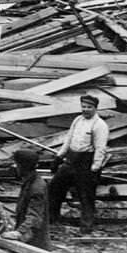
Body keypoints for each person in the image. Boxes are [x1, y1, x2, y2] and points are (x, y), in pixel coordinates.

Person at [47, 93, 109, 234]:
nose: (85, 109)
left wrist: (95, 169)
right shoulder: (78, 120)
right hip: (71, 160)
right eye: (83, 106)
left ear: (95, 108)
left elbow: (100, 149)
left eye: (89, 107)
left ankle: (86, 227)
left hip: (86, 163)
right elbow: (68, 140)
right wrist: (58, 157)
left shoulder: (100, 125)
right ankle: (52, 220)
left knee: (86, 196)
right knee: (55, 188)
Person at [11, 147, 51, 249]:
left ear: (23, 166)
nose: (14, 167)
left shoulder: (36, 187)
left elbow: (34, 216)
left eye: (16, 164)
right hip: (28, 236)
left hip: (34, 241)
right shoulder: (29, 181)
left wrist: (19, 232)